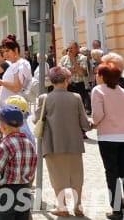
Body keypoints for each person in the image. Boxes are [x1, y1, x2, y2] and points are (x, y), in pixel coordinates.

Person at [33, 66, 91, 217]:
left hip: (52, 144)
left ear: (52, 81)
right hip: (74, 144)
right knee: (76, 176)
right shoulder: (76, 97)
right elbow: (85, 124)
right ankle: (78, 206)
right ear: (66, 81)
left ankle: (62, 207)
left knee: (57, 176)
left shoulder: (44, 98)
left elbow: (36, 120)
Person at [0, 105, 36, 219]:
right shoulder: (30, 144)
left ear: (2, 126)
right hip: (24, 190)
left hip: (6, 192)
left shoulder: (5, 146)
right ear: (21, 124)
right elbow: (32, 169)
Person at [91, 62, 124, 220]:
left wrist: (93, 123)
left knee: (112, 174)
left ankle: (117, 210)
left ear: (103, 76)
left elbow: (98, 115)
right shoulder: (123, 92)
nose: (96, 76)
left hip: (107, 137)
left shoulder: (98, 91)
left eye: (97, 73)